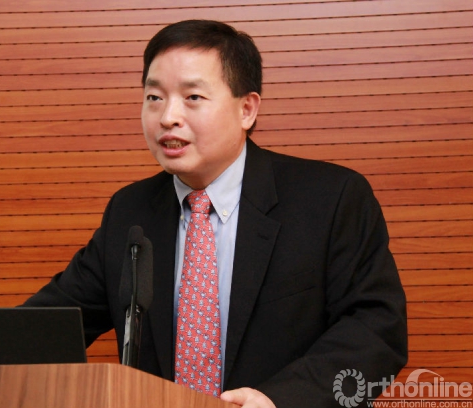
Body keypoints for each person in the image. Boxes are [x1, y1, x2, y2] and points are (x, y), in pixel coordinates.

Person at [23, 20, 408, 408]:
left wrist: (281, 400)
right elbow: (48, 327)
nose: (168, 117)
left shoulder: (330, 198)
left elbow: (376, 331)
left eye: (192, 97)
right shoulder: (130, 210)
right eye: (154, 97)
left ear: (246, 109)